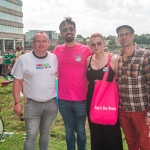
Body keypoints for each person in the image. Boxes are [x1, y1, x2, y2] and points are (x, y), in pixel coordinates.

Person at [11, 31, 58, 150]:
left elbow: (57, 76)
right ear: (33, 43)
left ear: (48, 43)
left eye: (44, 41)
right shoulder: (23, 59)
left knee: (45, 133)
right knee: (31, 135)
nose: (41, 44)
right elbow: (17, 81)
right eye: (38, 41)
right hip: (32, 103)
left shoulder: (53, 58)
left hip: (51, 103)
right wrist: (17, 103)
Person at [53, 17, 92, 150]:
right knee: (69, 131)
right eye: (65, 30)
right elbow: (51, 71)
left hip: (81, 98)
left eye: (71, 29)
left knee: (81, 130)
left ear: (75, 31)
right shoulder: (57, 50)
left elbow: (97, 63)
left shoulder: (86, 50)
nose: (68, 31)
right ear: (61, 33)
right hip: (63, 99)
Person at [86, 33, 123, 150]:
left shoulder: (113, 60)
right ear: (89, 45)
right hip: (92, 102)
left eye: (99, 43)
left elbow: (120, 82)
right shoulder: (88, 60)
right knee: (96, 134)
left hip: (109, 102)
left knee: (111, 134)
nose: (96, 46)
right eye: (93, 44)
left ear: (104, 44)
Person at [116, 25, 150, 150]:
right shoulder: (117, 58)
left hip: (140, 109)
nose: (124, 37)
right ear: (118, 38)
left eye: (127, 34)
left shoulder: (144, 55)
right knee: (131, 143)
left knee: (145, 143)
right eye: (121, 35)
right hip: (123, 110)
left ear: (133, 36)